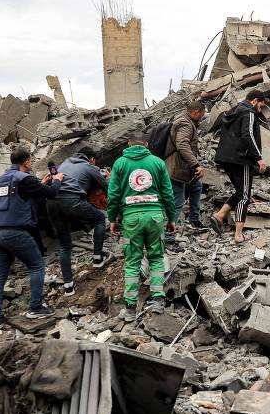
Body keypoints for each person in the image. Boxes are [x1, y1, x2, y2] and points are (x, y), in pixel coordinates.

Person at [0, 147, 64, 330]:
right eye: (30, 160)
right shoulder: (25, 179)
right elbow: (52, 194)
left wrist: (41, 184)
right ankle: (35, 307)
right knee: (36, 265)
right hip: (15, 232)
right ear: (27, 162)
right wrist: (57, 181)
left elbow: (18, 199)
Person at [107, 131, 175, 322]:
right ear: (146, 144)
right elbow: (168, 193)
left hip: (131, 219)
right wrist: (171, 218)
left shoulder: (120, 163)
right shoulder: (157, 162)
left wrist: (112, 218)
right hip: (155, 217)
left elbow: (113, 194)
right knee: (156, 258)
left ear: (129, 144)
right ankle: (158, 301)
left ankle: (130, 309)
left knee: (132, 261)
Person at [46, 147, 109, 296]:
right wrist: (108, 177)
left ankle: (68, 286)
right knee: (100, 219)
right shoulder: (89, 167)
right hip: (71, 201)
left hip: (50, 203)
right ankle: (97, 258)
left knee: (64, 243)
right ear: (92, 159)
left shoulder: (64, 163)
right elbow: (107, 187)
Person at [211, 89, 269, 243]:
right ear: (255, 100)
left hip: (226, 158)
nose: (260, 109)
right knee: (245, 196)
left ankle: (220, 215)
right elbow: (247, 135)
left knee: (239, 191)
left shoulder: (234, 111)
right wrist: (259, 158)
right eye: (261, 105)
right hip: (241, 159)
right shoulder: (248, 113)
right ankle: (238, 234)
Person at [164, 100, 206, 243]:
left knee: (196, 186)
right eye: (202, 114)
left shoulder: (184, 120)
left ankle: (194, 219)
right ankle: (169, 236)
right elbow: (182, 145)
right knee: (178, 201)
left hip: (183, 167)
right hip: (177, 168)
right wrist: (196, 165)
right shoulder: (185, 124)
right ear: (196, 112)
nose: (202, 117)